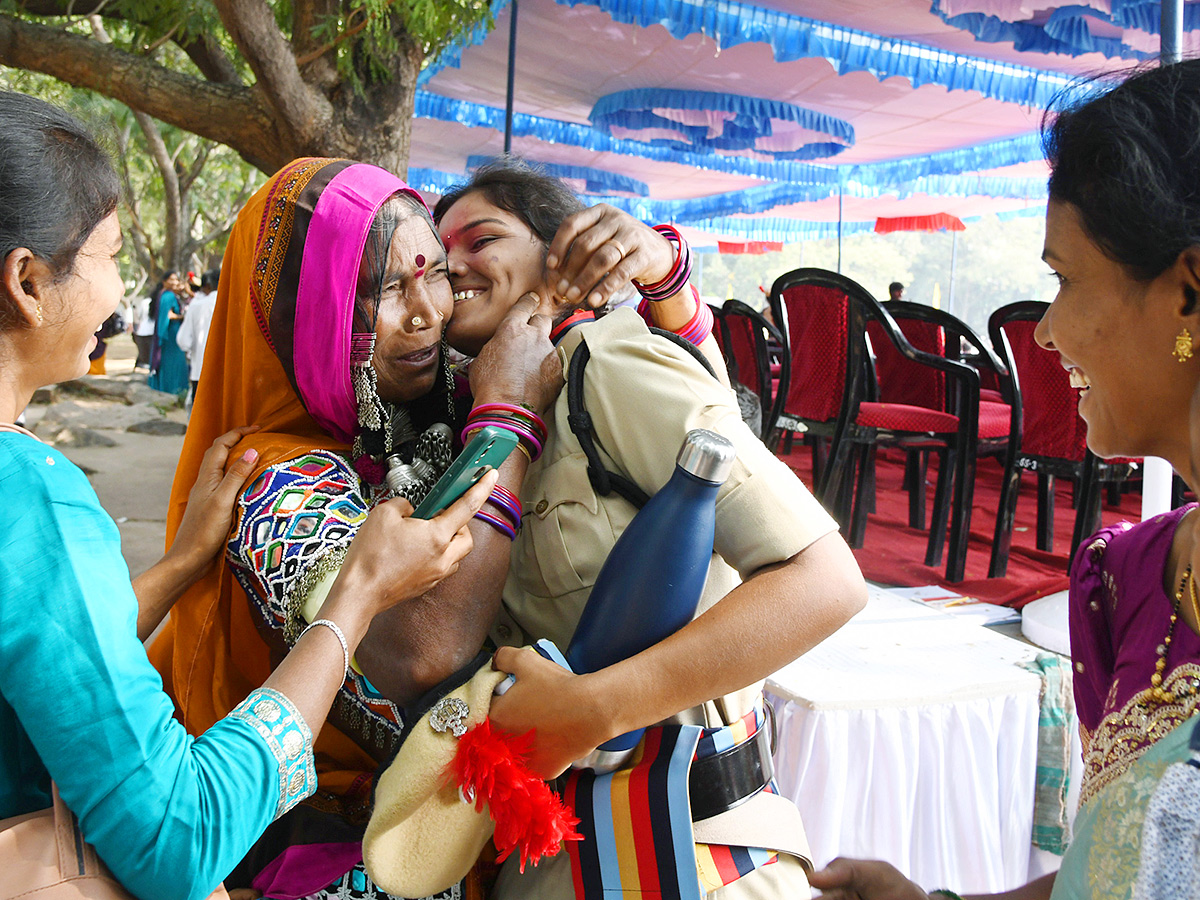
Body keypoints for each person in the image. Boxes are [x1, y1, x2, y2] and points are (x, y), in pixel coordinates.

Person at [0, 92, 491, 900]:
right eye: (111, 256)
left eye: (434, 272)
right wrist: (360, 592)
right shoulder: (36, 496)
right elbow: (178, 836)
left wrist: (184, 562)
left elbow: (47, 660)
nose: (122, 292)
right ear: (27, 282)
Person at [809, 60, 1200, 900]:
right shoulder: (1130, 581)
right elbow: (1112, 869)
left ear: (1189, 293)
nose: (1048, 333)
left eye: (1063, 279)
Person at [431, 158, 867, 898]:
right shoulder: (484, 407)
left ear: (560, 256)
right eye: (439, 258)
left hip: (682, 853)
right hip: (554, 858)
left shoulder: (608, 361)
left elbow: (825, 581)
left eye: (482, 239)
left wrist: (597, 708)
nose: (453, 266)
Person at [149, 157, 560, 899]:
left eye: (431, 273)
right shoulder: (266, 480)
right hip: (329, 849)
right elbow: (418, 651)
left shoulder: (417, 413)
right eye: (381, 292)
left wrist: (662, 281)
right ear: (305, 318)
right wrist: (508, 421)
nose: (428, 311)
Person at [176, 267, 218, 410]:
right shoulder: (240, 304)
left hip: (201, 372)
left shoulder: (197, 306)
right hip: (232, 377)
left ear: (206, 286)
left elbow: (183, 340)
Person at [149, 269, 190, 396]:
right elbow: (168, 316)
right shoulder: (169, 296)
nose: (174, 282)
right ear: (164, 281)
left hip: (168, 334)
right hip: (171, 334)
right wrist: (182, 317)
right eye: (171, 279)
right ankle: (174, 389)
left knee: (168, 362)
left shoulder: (163, 294)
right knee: (174, 362)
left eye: (176, 279)